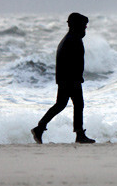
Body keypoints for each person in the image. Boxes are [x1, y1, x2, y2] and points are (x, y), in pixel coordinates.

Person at [31, 12, 95, 144]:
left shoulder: (70, 38)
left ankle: (40, 128)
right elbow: (70, 62)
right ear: (76, 26)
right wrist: (75, 78)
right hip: (70, 79)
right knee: (77, 104)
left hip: (65, 78)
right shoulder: (72, 39)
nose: (85, 29)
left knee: (61, 104)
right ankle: (79, 135)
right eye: (84, 26)